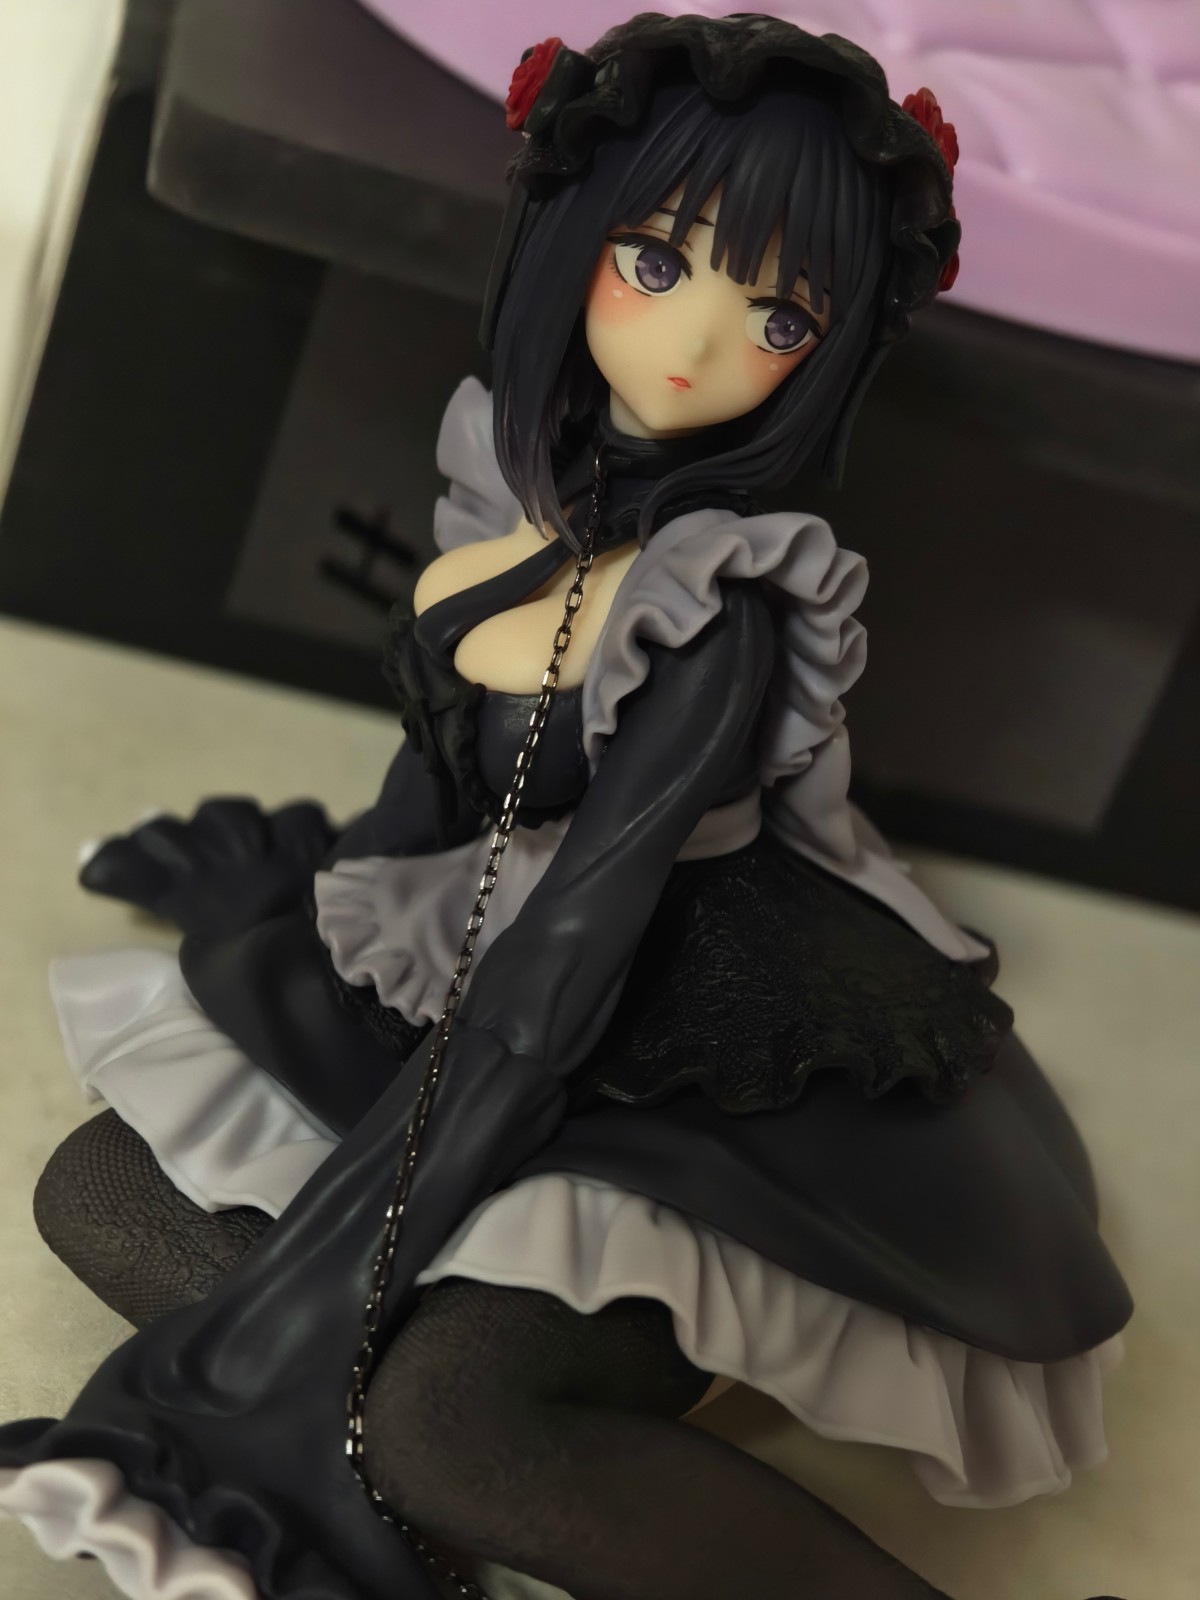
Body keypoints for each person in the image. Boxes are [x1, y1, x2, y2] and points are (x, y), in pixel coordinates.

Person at [0, 16, 1131, 1600]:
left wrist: (312, 1297)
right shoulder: (511, 502)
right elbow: (426, 806)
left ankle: (438, 1427)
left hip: (687, 1032)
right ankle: (394, 1417)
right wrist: (298, 917)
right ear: (572, 233)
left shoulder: (719, 609)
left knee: (443, 1428)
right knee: (102, 1192)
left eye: (781, 316)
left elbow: (563, 974)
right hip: (483, 964)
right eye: (658, 263)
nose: (698, 345)